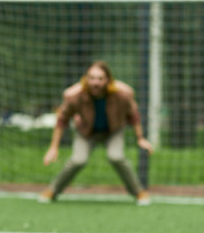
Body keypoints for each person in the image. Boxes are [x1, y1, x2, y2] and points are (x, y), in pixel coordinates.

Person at [39, 60, 153, 205]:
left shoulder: (122, 94)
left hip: (113, 131)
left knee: (116, 156)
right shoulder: (74, 96)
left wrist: (140, 138)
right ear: (86, 79)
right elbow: (62, 120)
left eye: (100, 78)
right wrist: (54, 147)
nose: (95, 83)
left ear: (108, 80)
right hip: (86, 132)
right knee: (78, 160)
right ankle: (53, 190)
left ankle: (139, 192)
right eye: (92, 78)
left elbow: (133, 115)